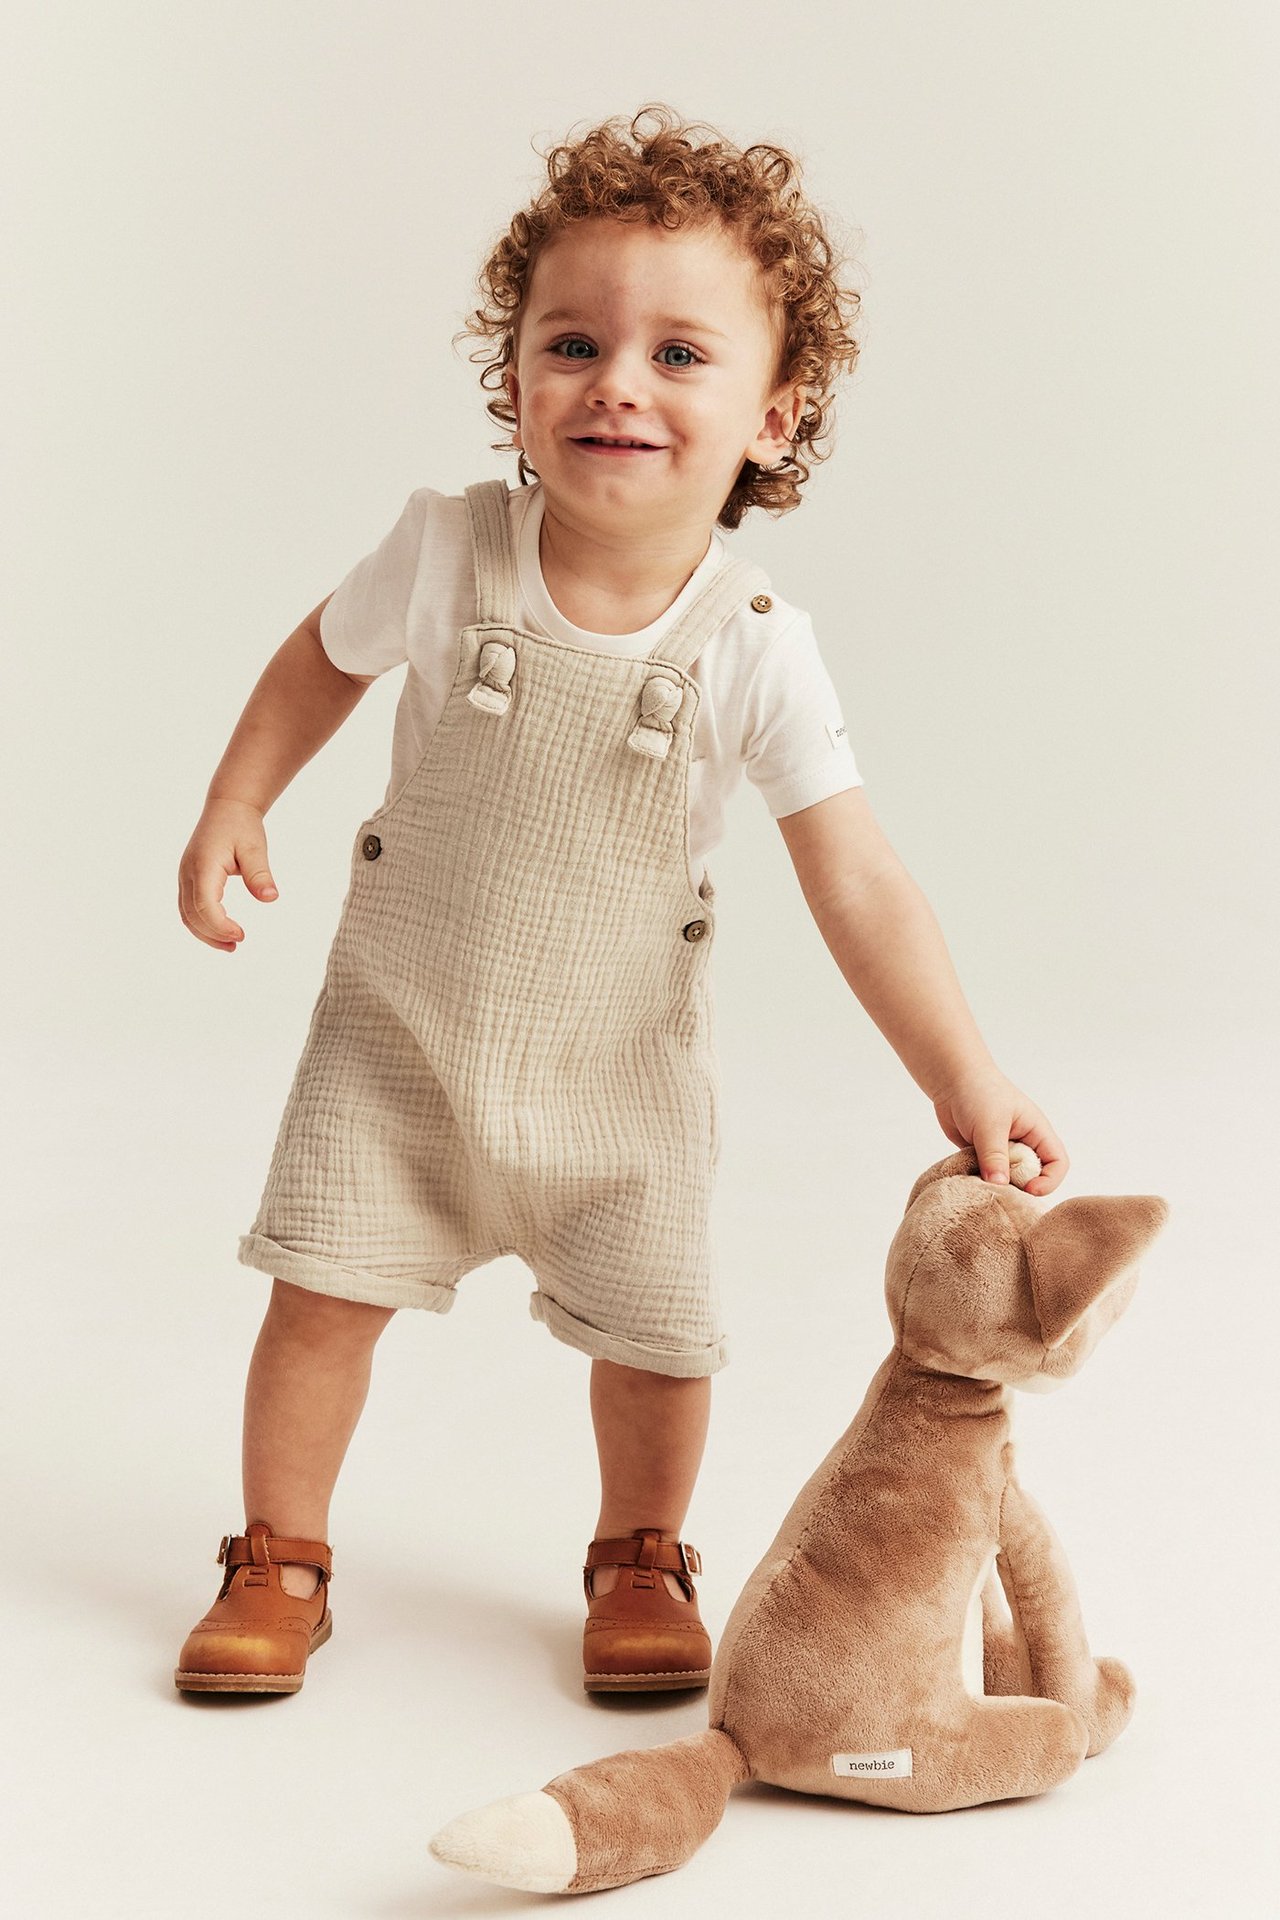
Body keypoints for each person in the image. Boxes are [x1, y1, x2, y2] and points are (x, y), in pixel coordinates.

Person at [173, 105, 1068, 1700]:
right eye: (574, 342)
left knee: (659, 1342)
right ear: (514, 385)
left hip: (620, 1086)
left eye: (679, 355)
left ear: (773, 421)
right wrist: (241, 797)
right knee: (318, 1298)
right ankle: (278, 1552)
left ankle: (641, 1550)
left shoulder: (756, 640)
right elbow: (318, 661)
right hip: (400, 1053)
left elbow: (854, 872)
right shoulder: (448, 553)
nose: (619, 385)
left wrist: (966, 1077)